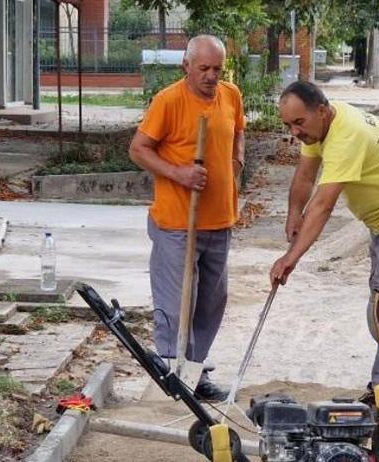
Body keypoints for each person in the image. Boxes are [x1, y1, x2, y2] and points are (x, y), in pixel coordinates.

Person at [269, 81, 379, 390]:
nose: (294, 132)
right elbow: (306, 174)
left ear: (321, 110)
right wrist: (294, 212)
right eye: (288, 124)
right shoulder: (320, 125)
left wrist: (291, 258)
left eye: (298, 122)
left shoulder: (346, 136)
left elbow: (322, 204)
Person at [129, 35, 245, 402]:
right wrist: (178, 173)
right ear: (187, 66)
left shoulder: (231, 95)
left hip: (220, 219)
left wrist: (236, 162)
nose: (211, 76)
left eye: (217, 69)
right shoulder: (169, 100)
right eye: (204, 68)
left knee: (212, 302)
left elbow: (239, 130)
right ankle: (173, 376)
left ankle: (195, 372)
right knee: (178, 303)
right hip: (177, 223)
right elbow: (138, 149)